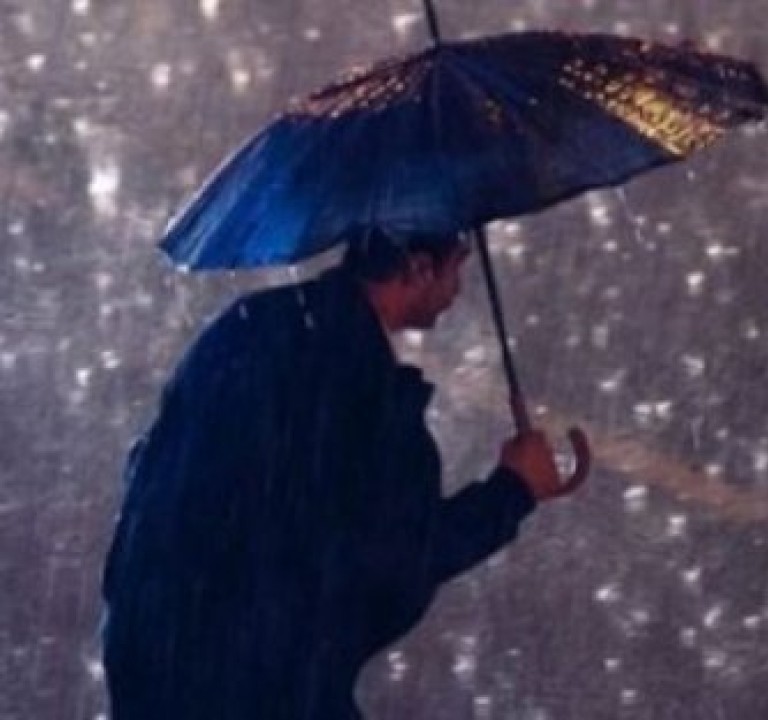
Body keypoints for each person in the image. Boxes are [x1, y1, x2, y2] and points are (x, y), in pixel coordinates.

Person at [101, 227, 587, 719]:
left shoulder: (250, 325)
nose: (458, 290)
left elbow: (157, 473)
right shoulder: (360, 387)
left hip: (150, 664)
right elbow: (397, 561)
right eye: (456, 267)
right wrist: (513, 490)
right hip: (255, 687)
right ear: (418, 269)